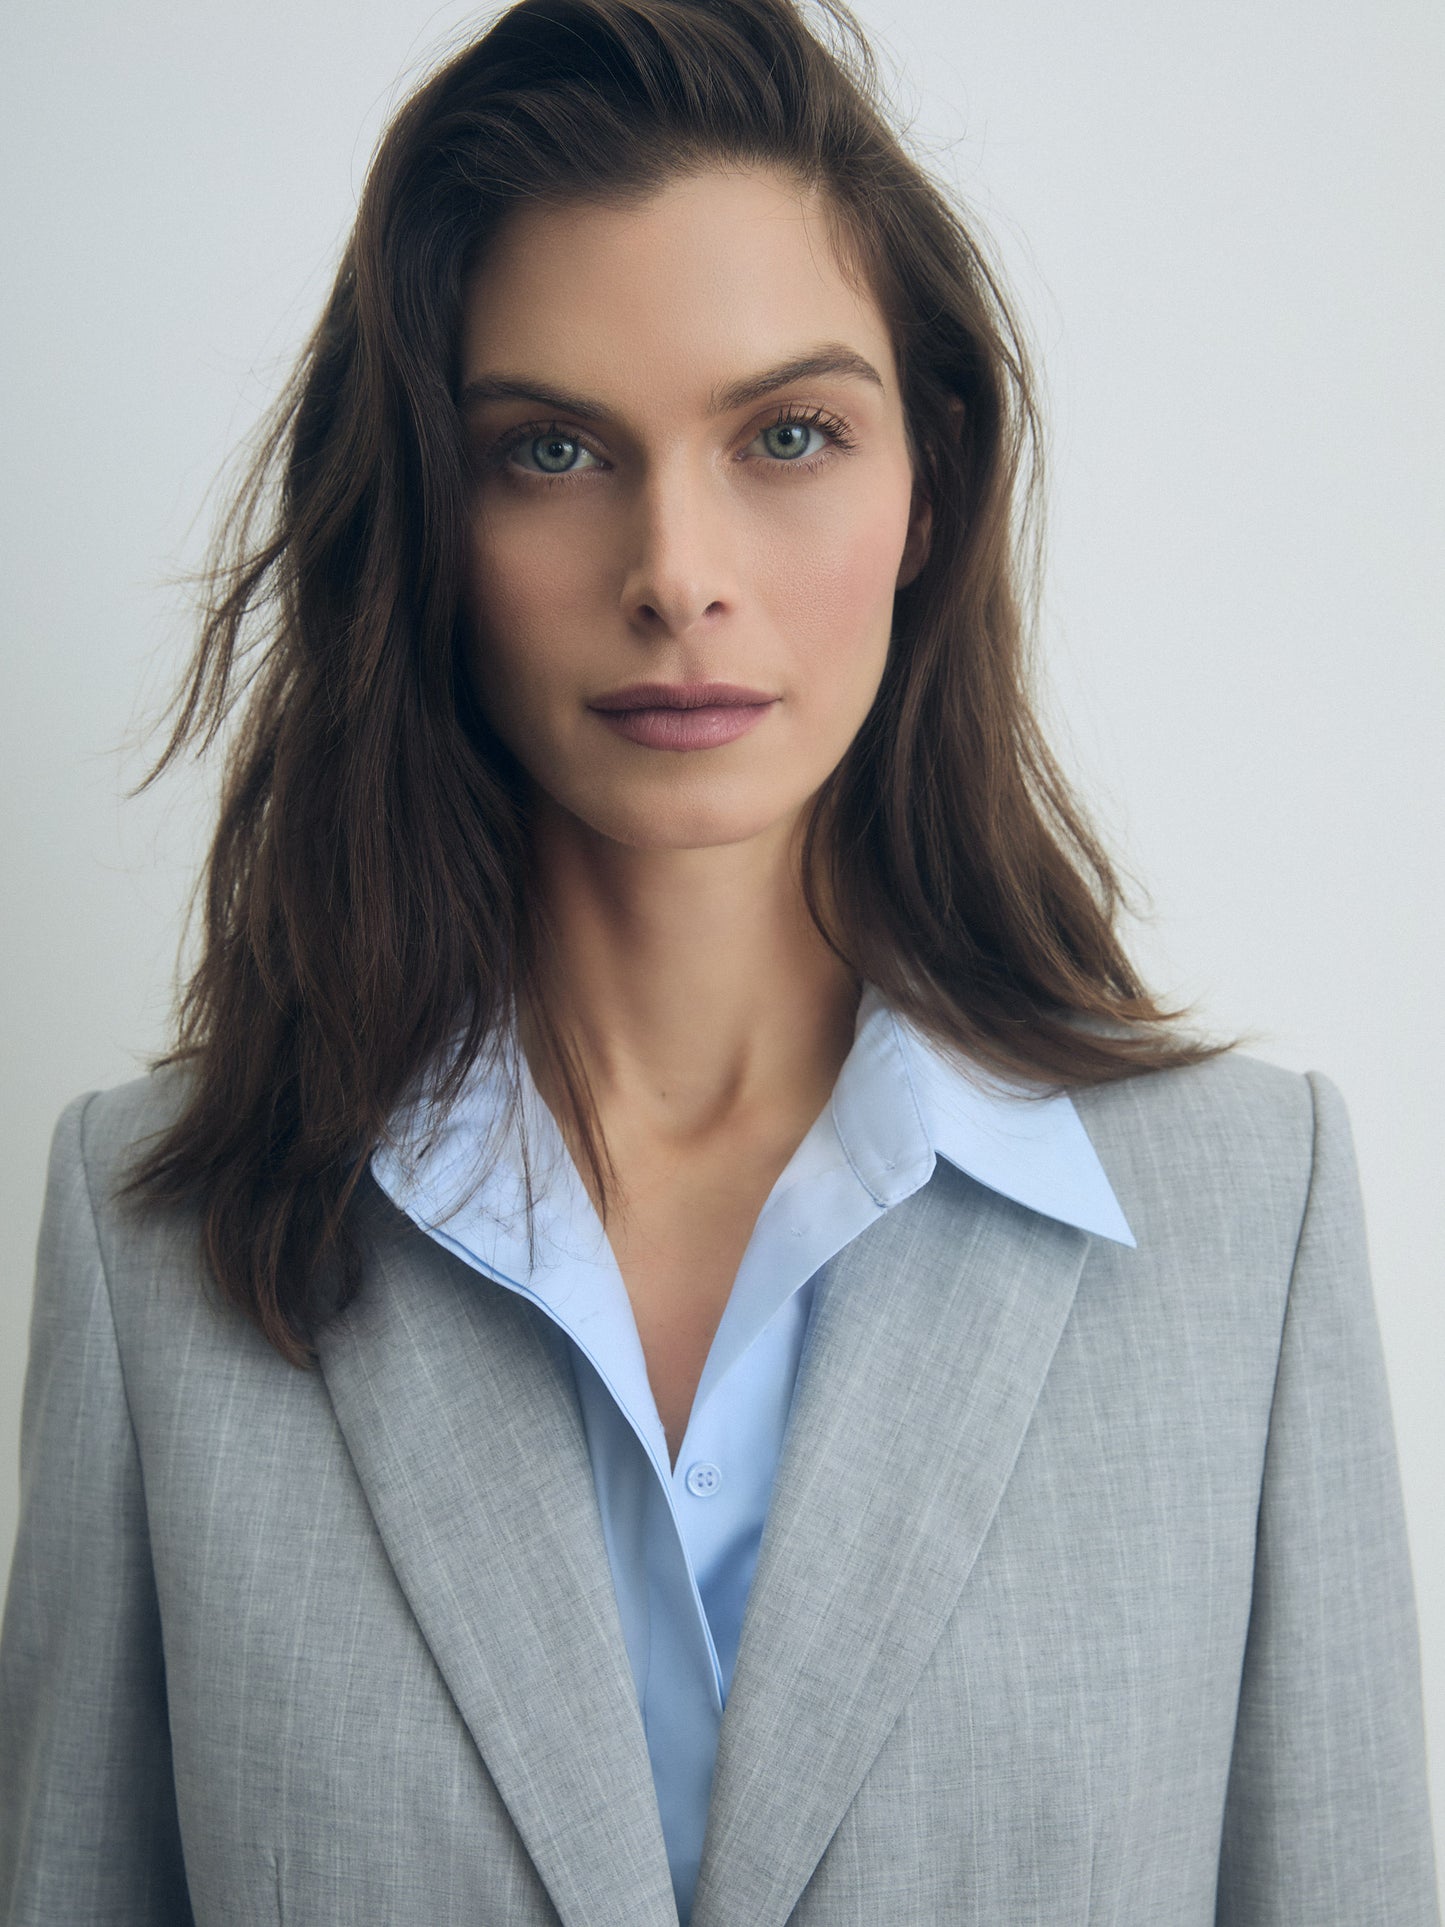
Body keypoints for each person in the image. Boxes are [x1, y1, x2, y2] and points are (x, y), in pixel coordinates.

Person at [0, 0, 1437, 1920]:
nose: (676, 567)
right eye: (552, 449)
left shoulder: (1245, 1215)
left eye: (786, 433)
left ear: (924, 479)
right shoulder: (151, 1232)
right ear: (424, 515)